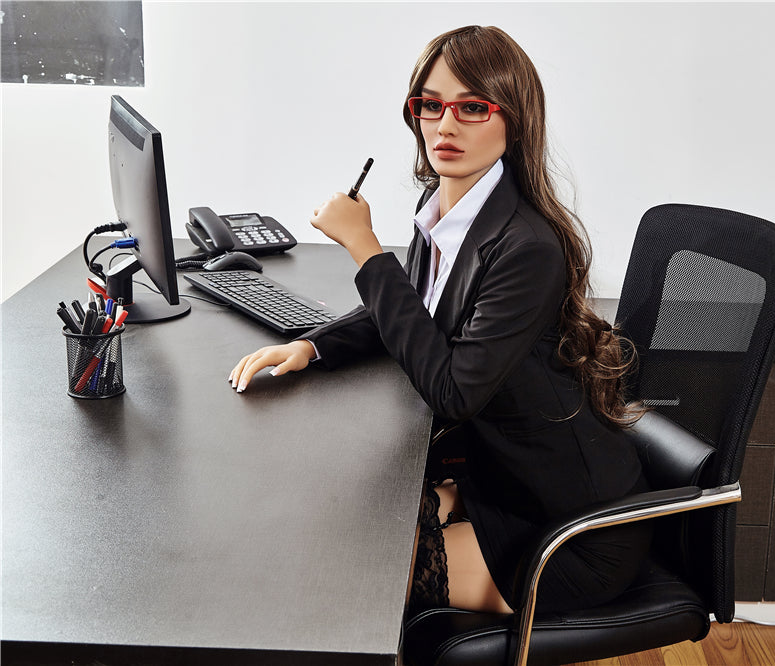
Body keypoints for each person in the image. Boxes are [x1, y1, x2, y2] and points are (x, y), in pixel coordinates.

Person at [229, 25, 651, 616]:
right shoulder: (443, 209)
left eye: (472, 107)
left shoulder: (527, 247)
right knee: (320, 526)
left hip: (570, 530)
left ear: (514, 120)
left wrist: (366, 249)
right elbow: (415, 310)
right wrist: (314, 346)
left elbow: (454, 392)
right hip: (499, 483)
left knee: (348, 587)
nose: (445, 125)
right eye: (430, 105)